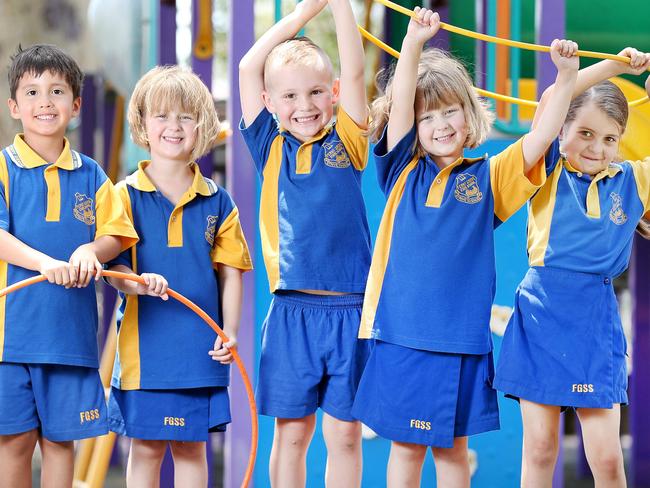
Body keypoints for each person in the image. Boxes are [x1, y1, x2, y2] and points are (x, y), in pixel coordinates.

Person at [350, 8, 579, 487]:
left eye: (450, 110)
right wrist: (413, 42)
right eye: (426, 115)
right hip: (400, 335)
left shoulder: (489, 178)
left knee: (454, 453)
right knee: (406, 452)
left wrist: (566, 77)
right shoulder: (401, 172)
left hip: (461, 341)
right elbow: (399, 111)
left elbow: (539, 138)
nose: (440, 125)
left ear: (469, 113)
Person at [494, 48, 650, 487]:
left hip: (594, 321)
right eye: (584, 133)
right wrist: (612, 67)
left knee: (605, 458)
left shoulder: (632, 180)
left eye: (608, 139)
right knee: (540, 449)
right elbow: (550, 103)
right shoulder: (545, 165)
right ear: (562, 130)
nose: (595, 148)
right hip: (541, 313)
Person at [238, 0, 371, 485]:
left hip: (351, 312)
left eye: (316, 92)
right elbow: (250, 66)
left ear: (333, 94)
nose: (305, 106)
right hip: (291, 312)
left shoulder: (349, 141)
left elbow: (356, 72)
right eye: (289, 96)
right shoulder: (269, 146)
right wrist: (303, 12)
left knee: (346, 437)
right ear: (270, 103)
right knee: (292, 436)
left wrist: (340, 8)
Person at [105, 65, 252, 488]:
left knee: (191, 447)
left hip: (199, 351)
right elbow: (112, 268)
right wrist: (134, 280)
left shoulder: (218, 201)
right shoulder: (122, 195)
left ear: (202, 127)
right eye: (162, 116)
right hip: (145, 352)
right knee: (147, 447)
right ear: (143, 124)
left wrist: (230, 331)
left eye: (185, 117)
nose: (174, 126)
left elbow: (231, 274)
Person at [0, 44, 138, 488]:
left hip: (71, 341)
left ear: (75, 105)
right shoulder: (3, 168)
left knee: (61, 445)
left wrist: (89, 252)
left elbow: (115, 234)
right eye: (33, 92)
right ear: (14, 106)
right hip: (10, 343)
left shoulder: (93, 175)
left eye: (57, 91)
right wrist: (47, 262)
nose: (45, 102)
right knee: (13, 444)